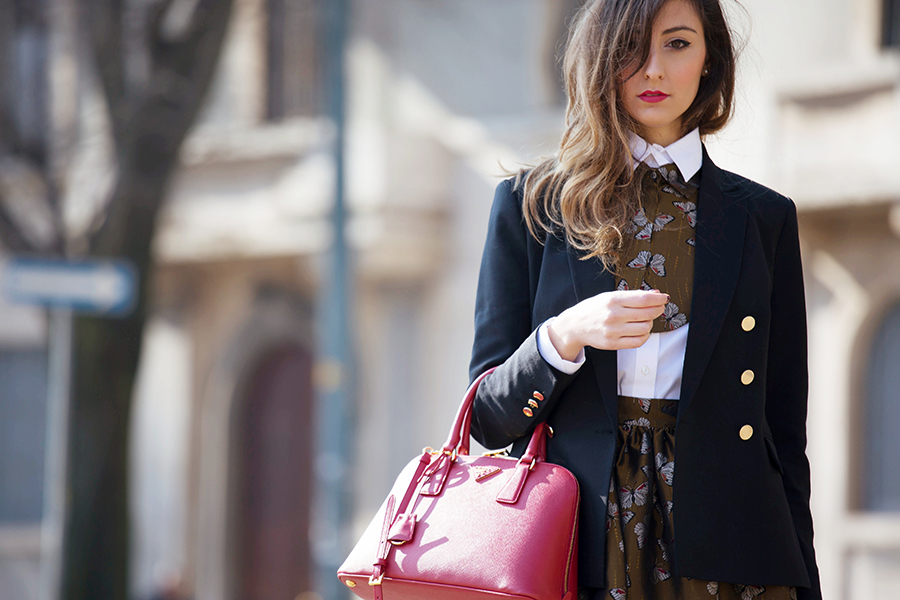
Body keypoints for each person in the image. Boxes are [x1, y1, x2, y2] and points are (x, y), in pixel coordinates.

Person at [468, 0, 821, 599]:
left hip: (730, 541)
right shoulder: (532, 207)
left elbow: (784, 436)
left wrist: (806, 582)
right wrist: (563, 336)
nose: (653, 69)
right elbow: (486, 418)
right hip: (578, 536)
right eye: (632, 46)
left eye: (678, 44)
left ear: (710, 59)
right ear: (600, 57)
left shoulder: (764, 219)